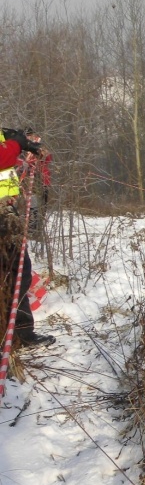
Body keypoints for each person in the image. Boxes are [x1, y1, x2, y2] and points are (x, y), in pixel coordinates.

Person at [0, 127, 54, 348]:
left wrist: (25, 145)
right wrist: (17, 144)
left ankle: (18, 333)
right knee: (17, 272)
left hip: (6, 210)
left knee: (17, 273)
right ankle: (19, 333)